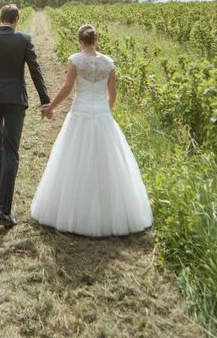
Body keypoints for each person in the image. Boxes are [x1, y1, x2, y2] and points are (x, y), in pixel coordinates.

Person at [30, 24, 152, 237]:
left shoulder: (75, 60)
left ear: (80, 40)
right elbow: (112, 94)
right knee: (108, 162)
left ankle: (76, 213)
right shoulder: (109, 63)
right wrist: (105, 111)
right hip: (102, 115)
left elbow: (68, 88)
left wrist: (51, 107)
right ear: (96, 40)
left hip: (80, 113)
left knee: (74, 161)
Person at [0, 4, 51, 228]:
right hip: (16, 100)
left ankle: (2, 188)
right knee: (12, 151)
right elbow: (35, 70)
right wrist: (45, 99)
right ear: (17, 19)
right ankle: (4, 210)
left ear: (0, 18)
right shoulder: (24, 40)